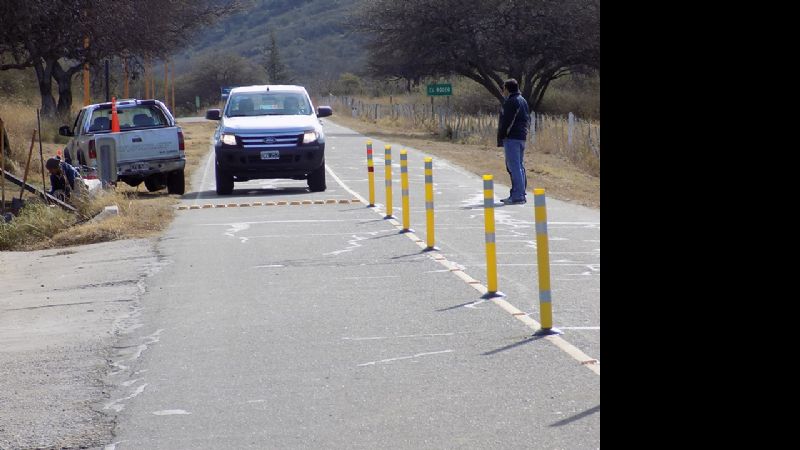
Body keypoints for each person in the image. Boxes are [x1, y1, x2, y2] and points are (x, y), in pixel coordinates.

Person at [496, 78, 531, 205]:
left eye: (503, 88)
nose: (502, 90)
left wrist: (503, 135)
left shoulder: (511, 101)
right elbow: (527, 119)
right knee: (519, 165)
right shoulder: (523, 100)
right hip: (521, 137)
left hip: (512, 138)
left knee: (514, 166)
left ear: (507, 88)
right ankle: (520, 193)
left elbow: (507, 121)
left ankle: (518, 196)